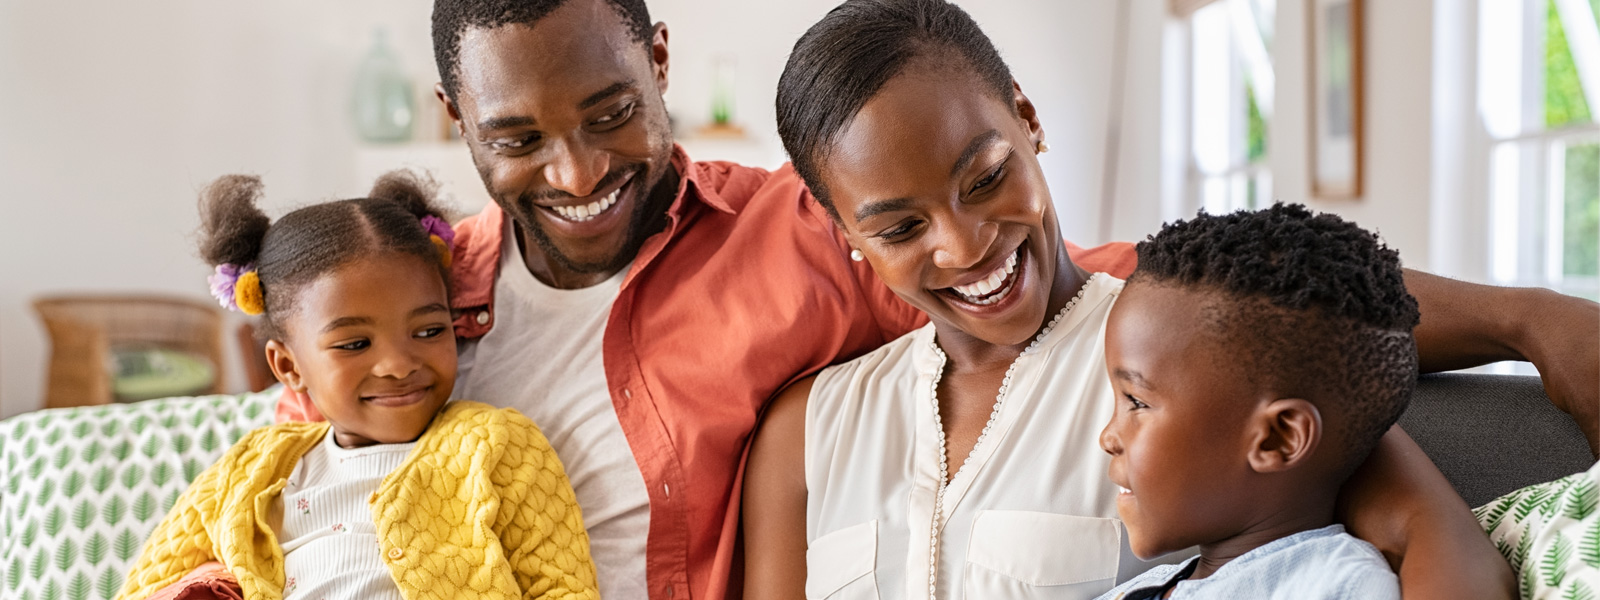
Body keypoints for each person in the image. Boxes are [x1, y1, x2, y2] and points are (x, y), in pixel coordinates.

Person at [274, 1, 1596, 598]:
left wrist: (1534, 317)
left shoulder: (799, 238)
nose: (574, 170)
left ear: (659, 64)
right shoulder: (411, 305)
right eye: (517, 140)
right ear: (459, 125)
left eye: (613, 111)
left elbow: (1206, 299)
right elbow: (294, 470)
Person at [742, 0, 1531, 598]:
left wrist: (1536, 320)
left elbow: (1437, 541)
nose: (964, 244)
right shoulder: (805, 433)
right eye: (901, 226)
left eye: (985, 179)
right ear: (842, 228)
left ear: (1027, 118)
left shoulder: (1189, 363)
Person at [118, 173, 598, 600]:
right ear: (288, 367)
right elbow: (147, 586)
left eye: (429, 331)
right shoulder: (247, 473)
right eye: (354, 344)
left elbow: (562, 587)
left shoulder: (496, 446)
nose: (396, 364)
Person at [1094, 204, 1414, 599]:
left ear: (1276, 439)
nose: (1107, 437)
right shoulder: (1134, 593)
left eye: (1136, 402)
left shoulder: (1339, 587)